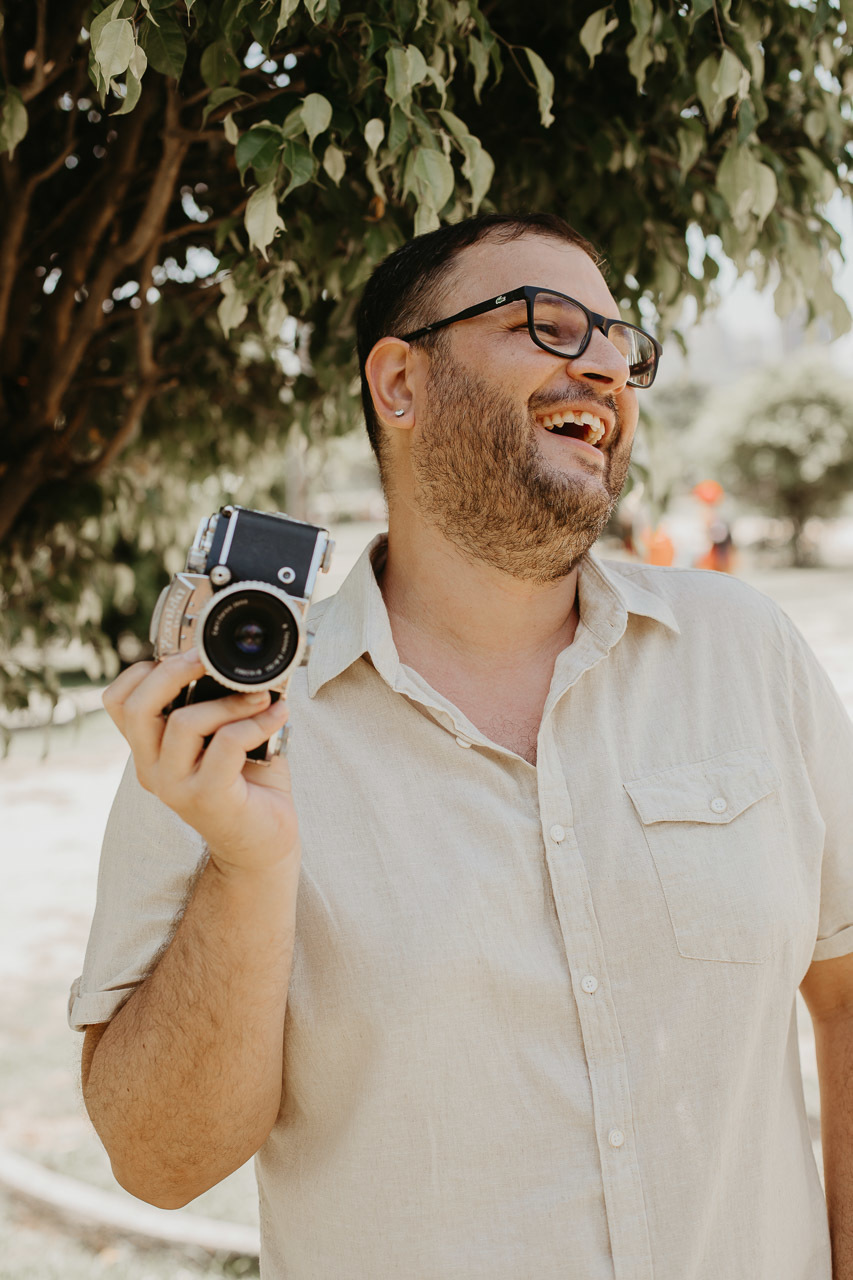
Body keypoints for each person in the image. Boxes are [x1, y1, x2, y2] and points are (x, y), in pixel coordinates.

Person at [71, 214, 853, 1280]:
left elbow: (846, 990)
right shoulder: (221, 730)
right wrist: (246, 868)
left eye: (623, 343)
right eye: (550, 323)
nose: (607, 366)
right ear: (400, 382)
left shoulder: (745, 652)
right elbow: (161, 1161)